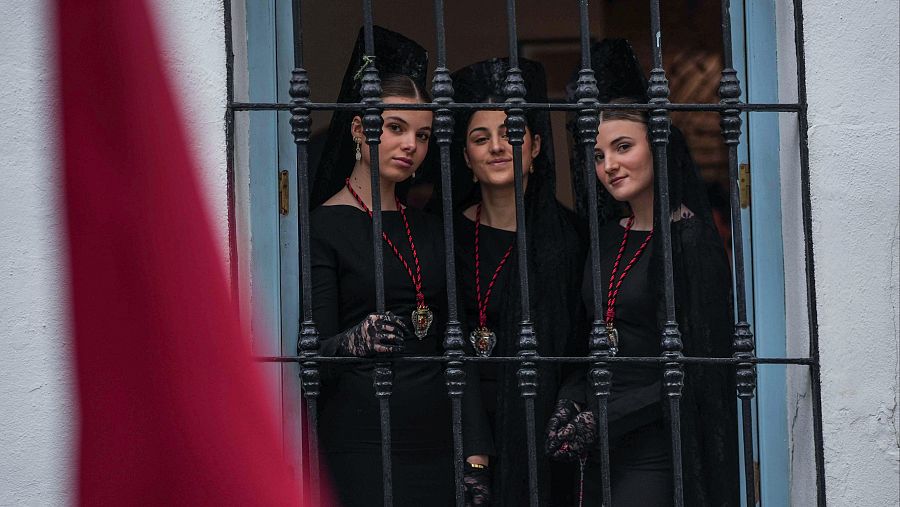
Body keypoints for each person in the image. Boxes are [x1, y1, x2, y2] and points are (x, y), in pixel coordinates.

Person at [545, 39, 740, 506]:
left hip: (655, 449)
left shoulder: (689, 240)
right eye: (597, 155)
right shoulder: (610, 236)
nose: (609, 165)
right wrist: (571, 398)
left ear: (657, 145)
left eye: (622, 147)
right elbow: (597, 335)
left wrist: (605, 416)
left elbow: (701, 370)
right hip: (596, 448)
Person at [309, 26, 454, 506]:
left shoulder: (429, 227)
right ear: (358, 129)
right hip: (361, 440)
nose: (410, 144)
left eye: (422, 134)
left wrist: (475, 453)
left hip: (436, 443)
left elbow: (456, 344)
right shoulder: (324, 227)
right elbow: (311, 355)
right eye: (395, 127)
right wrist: (354, 340)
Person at [439, 57, 586, 506]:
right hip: (457, 427)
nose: (498, 147)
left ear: (536, 146)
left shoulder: (572, 236)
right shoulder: (443, 234)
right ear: (465, 157)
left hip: (541, 425)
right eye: (481, 138)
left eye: (511, 134)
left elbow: (585, 339)